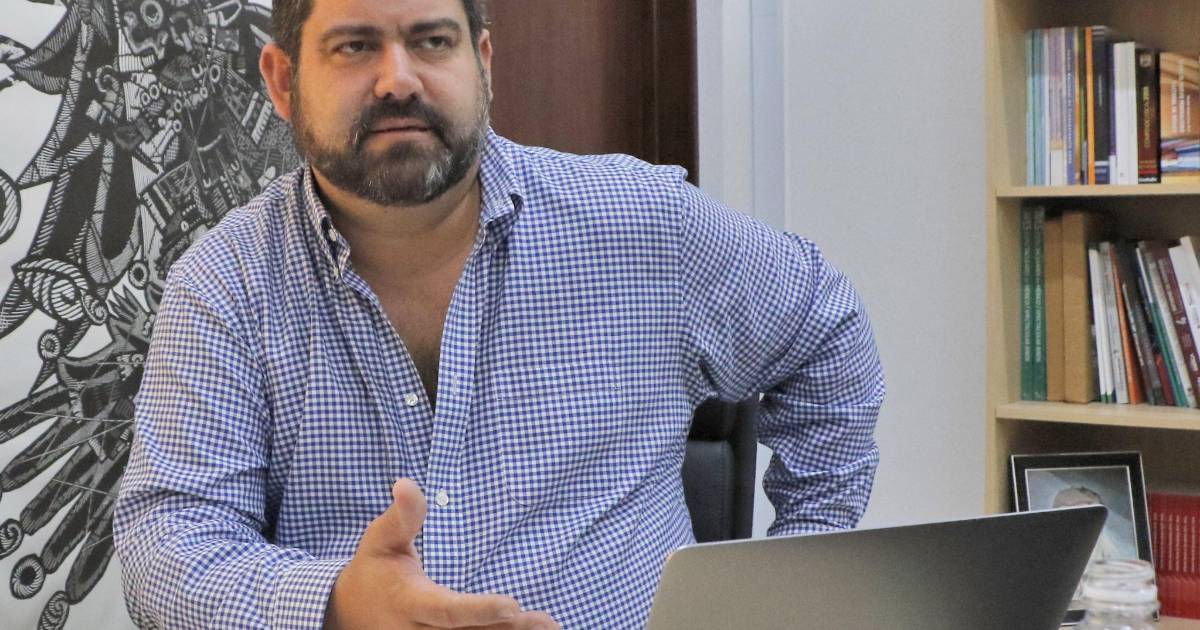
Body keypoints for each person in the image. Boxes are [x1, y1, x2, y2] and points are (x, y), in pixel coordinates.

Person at [112, 0, 885, 628]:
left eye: (432, 41)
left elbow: (827, 331)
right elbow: (167, 549)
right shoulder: (224, 287)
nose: (398, 80)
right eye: (354, 47)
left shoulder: (641, 225)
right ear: (283, 81)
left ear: (482, 62)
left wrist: (788, 584)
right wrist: (338, 606)